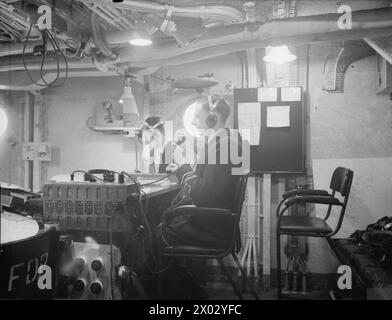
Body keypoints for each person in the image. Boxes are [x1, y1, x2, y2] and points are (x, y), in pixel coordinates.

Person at [157, 95, 245, 248]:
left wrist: (184, 169)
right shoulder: (224, 142)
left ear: (213, 118)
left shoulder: (224, 146)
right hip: (212, 224)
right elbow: (209, 186)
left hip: (210, 229)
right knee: (161, 223)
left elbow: (204, 195)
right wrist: (181, 170)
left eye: (197, 116)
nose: (192, 122)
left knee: (152, 235)